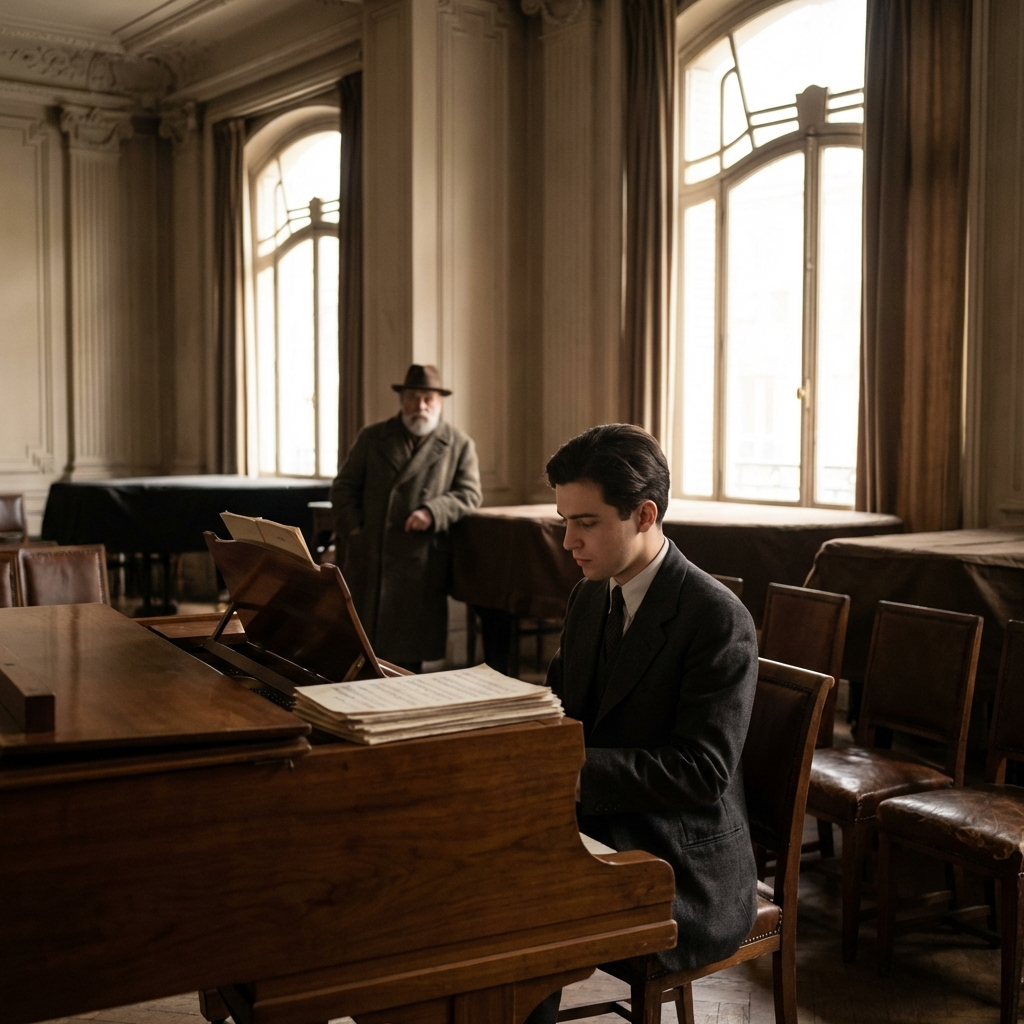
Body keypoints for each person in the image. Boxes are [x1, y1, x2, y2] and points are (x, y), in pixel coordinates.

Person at [526, 423, 759, 1024]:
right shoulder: (589, 596)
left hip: (679, 860)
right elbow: (559, 709)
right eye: (564, 520)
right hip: (603, 824)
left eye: (586, 522)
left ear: (645, 514)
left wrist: (567, 775)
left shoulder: (716, 618)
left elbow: (700, 771)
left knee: (528, 903)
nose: (568, 541)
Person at [331, 364, 482, 671]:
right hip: (372, 557)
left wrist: (433, 511)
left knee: (408, 659)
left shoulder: (458, 444)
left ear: (439, 402)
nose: (420, 406)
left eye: (428, 398)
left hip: (420, 560)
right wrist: (356, 529)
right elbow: (343, 487)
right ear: (402, 400)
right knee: (361, 650)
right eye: (413, 397)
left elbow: (469, 494)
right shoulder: (373, 437)